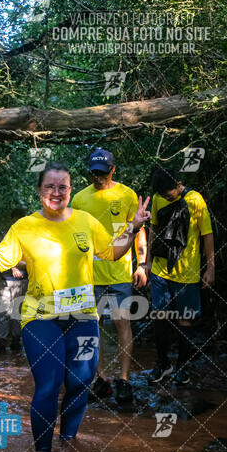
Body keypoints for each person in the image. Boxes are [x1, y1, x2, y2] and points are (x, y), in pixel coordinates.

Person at [0, 161, 150, 452]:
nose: (56, 192)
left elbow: (111, 252)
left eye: (62, 187)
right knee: (49, 384)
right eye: (50, 186)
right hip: (40, 318)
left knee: (80, 381)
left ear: (70, 190)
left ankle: (68, 445)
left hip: (83, 318)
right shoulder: (25, 227)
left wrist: (133, 229)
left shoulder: (85, 221)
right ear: (39, 191)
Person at [72, 149, 147, 403]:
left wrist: (142, 263)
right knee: (95, 328)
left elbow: (138, 229)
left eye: (102, 173)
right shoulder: (80, 199)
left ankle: (124, 379)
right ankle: (101, 379)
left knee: (121, 322)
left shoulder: (126, 195)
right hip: (90, 275)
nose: (97, 177)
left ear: (113, 170)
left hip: (120, 273)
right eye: (93, 172)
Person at [146, 168, 215, 385]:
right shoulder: (158, 199)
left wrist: (211, 267)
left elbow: (207, 234)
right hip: (160, 268)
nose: (167, 197)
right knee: (159, 316)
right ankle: (162, 363)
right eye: (164, 195)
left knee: (185, 318)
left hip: (187, 271)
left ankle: (182, 367)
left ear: (179, 184)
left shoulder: (195, 200)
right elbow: (154, 228)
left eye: (170, 194)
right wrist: (146, 260)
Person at [0, 208, 28, 354]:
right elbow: (0, 254)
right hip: (7, 279)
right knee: (5, 311)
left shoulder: (29, 235)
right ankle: (2, 343)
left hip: (23, 279)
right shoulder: (6, 235)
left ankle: (16, 341)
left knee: (18, 312)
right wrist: (14, 265)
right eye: (17, 219)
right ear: (13, 220)